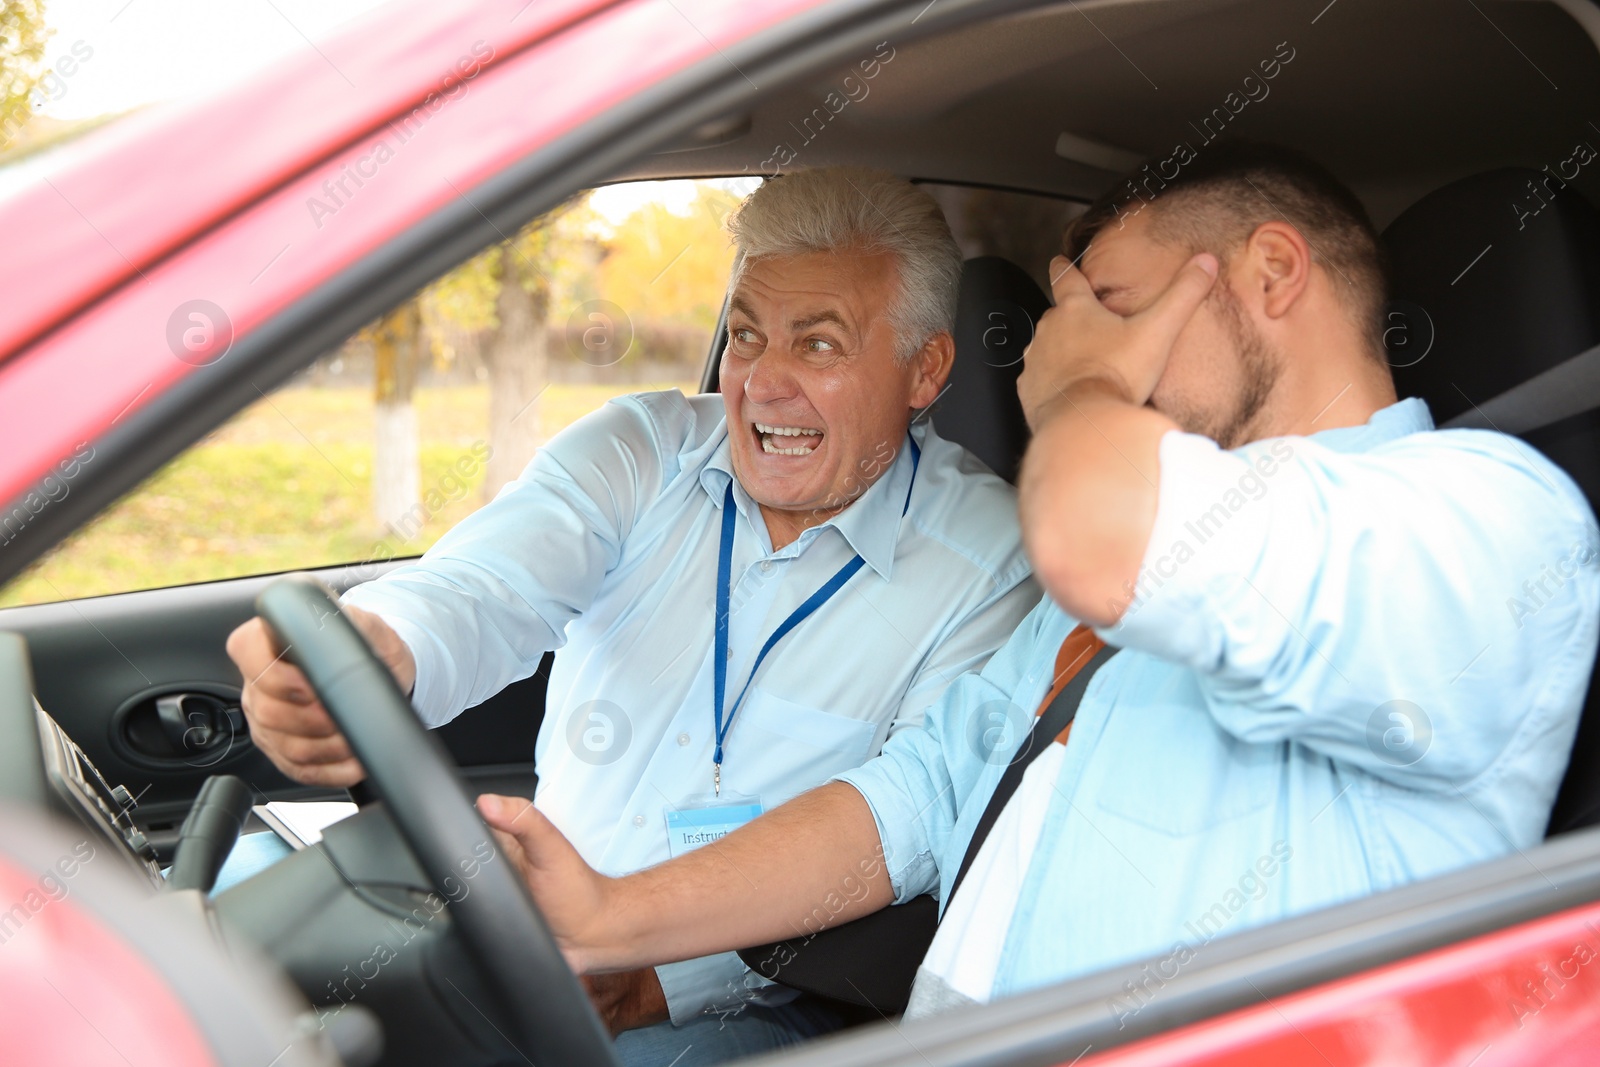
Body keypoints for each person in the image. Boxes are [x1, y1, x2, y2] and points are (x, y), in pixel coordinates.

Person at [476, 142, 1600, 1023]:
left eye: (1111, 307)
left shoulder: (1483, 515)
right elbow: (910, 796)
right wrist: (618, 913)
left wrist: (1082, 394)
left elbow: (1107, 534)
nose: (1060, 353)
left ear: (1271, 272)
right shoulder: (1104, 602)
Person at [225, 166, 1038, 1061]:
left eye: (818, 345)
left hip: (736, 1005)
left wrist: (652, 977)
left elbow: (907, 823)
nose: (763, 384)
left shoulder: (991, 564)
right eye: (745, 335)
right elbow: (485, 587)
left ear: (926, 369)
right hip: (522, 934)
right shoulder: (641, 449)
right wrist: (376, 648)